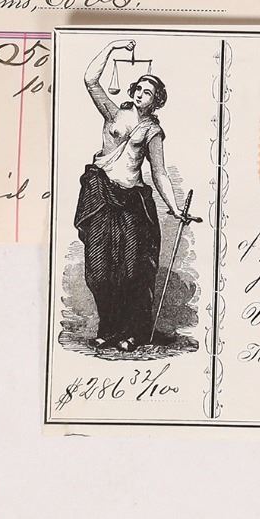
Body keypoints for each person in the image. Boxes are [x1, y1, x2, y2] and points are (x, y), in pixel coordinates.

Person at [75, 40, 197, 351]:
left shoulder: (153, 132)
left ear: (156, 101)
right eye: (139, 89)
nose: (141, 94)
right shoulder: (113, 114)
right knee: (98, 272)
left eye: (148, 92)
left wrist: (175, 208)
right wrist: (112, 47)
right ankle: (108, 328)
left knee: (131, 272)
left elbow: (159, 172)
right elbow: (90, 79)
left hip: (131, 202)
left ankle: (132, 332)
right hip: (101, 197)